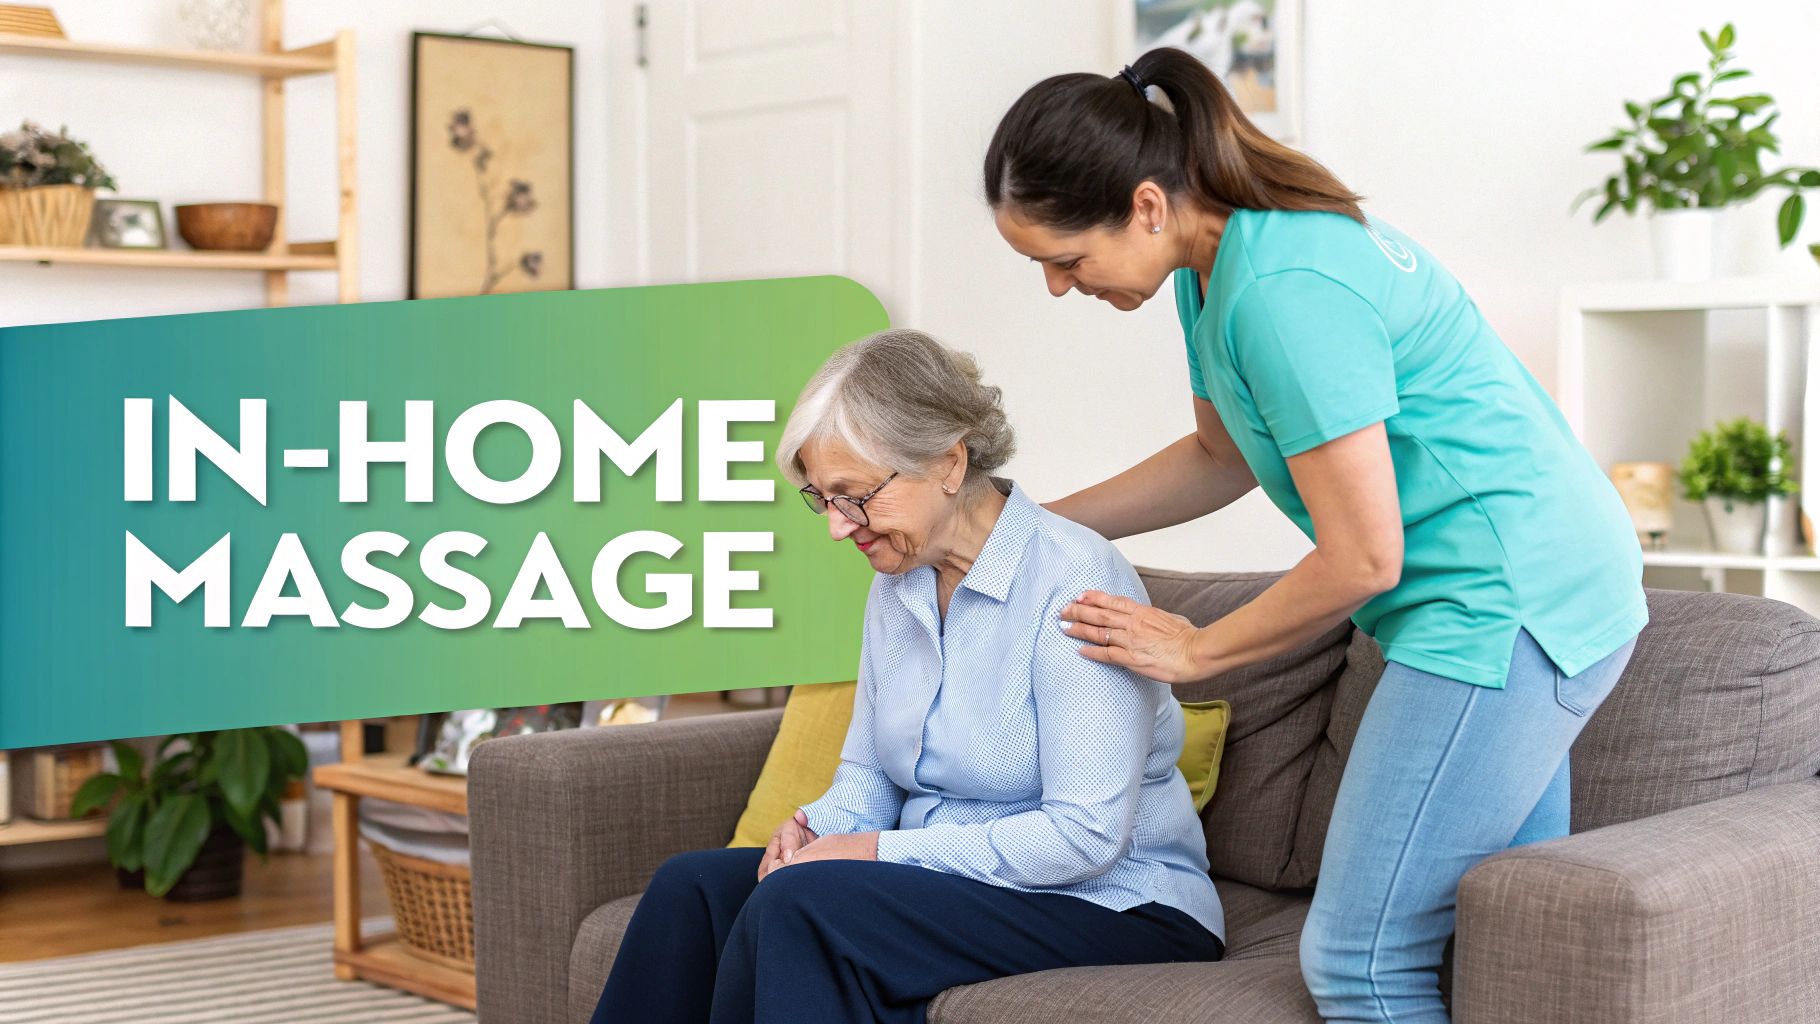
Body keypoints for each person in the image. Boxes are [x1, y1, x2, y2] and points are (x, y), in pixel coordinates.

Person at [982, 47, 1647, 1024]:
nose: (1053, 285)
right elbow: (1218, 454)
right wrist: (1030, 522)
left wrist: (1197, 646)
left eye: (1062, 259)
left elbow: (1364, 555)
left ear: (1145, 207)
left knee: (1357, 962)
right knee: (1508, 960)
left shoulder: (1285, 292)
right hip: (1513, 588)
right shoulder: (1212, 272)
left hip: (1509, 603)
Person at [590, 328, 1225, 1024]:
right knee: (693, 888)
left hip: (1115, 902)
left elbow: (1083, 838)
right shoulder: (899, 581)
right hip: (950, 882)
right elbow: (868, 779)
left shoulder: (1075, 580)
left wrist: (869, 851)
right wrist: (812, 828)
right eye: (822, 499)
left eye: (853, 495)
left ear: (948, 462)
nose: (839, 526)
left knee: (803, 907)